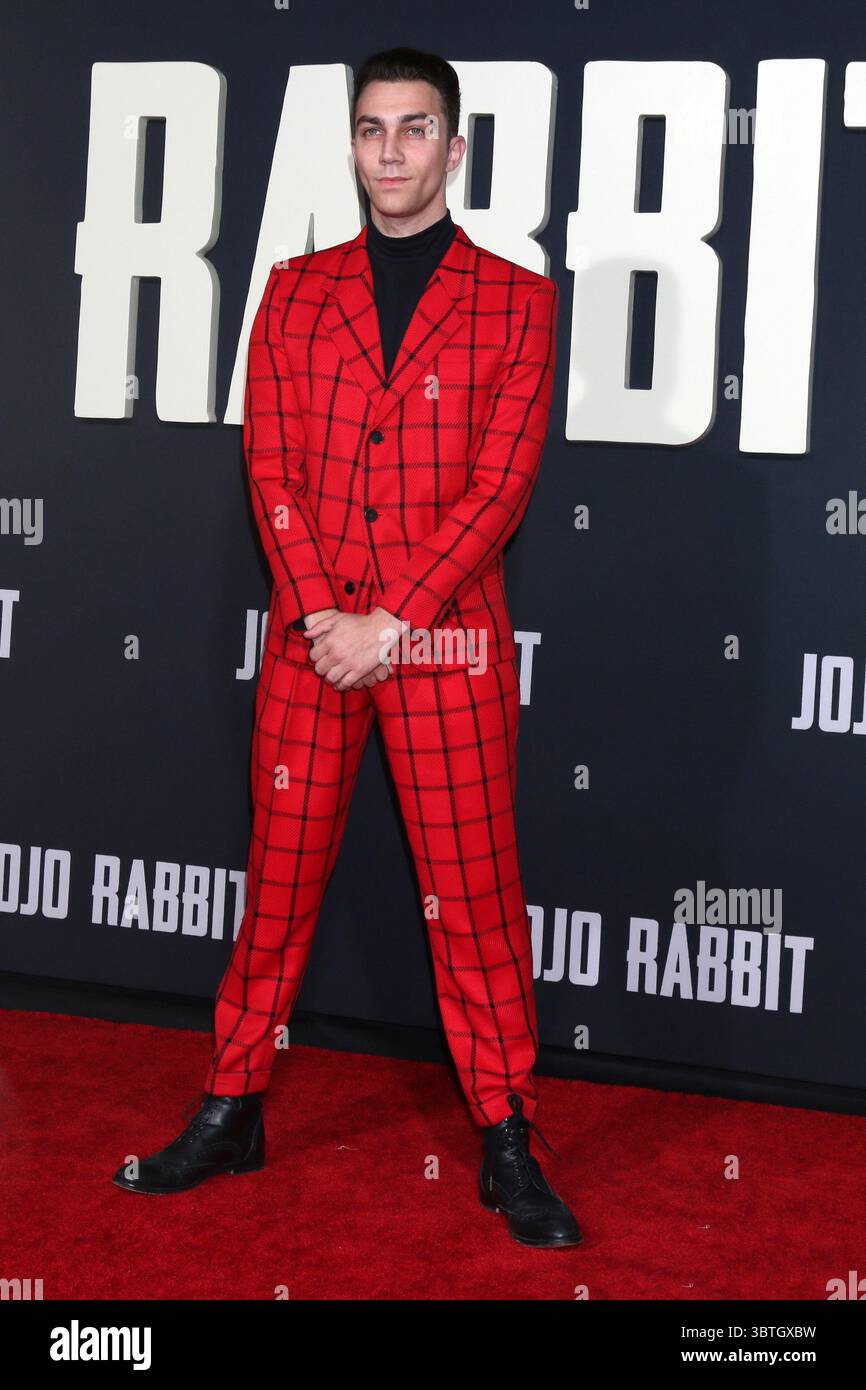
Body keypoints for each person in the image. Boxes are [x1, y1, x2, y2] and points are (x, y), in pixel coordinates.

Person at [113, 46, 581, 1249]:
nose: (390, 151)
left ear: (453, 147)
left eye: (414, 129)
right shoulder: (292, 288)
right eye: (372, 129)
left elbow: (502, 485)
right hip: (312, 645)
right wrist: (327, 614)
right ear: (354, 142)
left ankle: (508, 1136)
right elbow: (270, 463)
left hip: (442, 652)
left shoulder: (518, 300)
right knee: (274, 894)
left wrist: (395, 621)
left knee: (474, 904)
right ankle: (232, 1105)